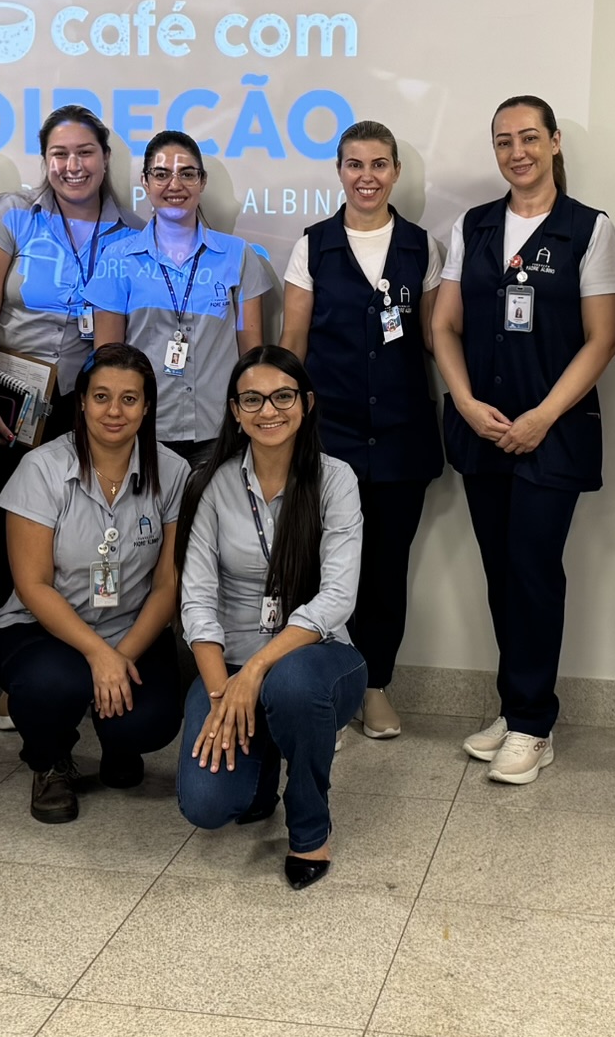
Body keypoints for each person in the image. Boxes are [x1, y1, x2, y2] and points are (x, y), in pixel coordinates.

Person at [431, 96, 615, 786]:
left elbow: (604, 338)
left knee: (534, 572)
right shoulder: (474, 226)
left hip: (553, 432)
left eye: (529, 138)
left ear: (554, 142)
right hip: (483, 428)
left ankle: (535, 725)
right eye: (504, 141)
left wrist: (542, 416)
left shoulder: (588, 230)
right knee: (500, 574)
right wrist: (463, 400)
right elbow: (444, 325)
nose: (517, 152)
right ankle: (516, 707)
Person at [0, 106, 145, 731]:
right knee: (9, 541)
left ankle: (84, 660)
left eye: (85, 152)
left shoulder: (131, 231)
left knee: (83, 541)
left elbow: (121, 331)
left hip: (86, 403)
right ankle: (17, 677)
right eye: (60, 154)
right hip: (9, 401)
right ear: (46, 160)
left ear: (105, 158)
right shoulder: (12, 213)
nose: (73, 165)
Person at [174, 348, 366, 890]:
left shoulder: (336, 480)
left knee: (292, 685)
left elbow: (337, 598)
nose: (269, 410)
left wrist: (256, 670)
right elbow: (197, 602)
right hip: (229, 664)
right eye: (252, 400)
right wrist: (222, 696)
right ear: (235, 412)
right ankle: (260, 772)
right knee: (207, 805)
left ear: (306, 403)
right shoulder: (211, 485)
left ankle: (309, 828)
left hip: (316, 659)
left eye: (283, 396)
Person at [280, 120, 444, 741]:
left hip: (402, 440)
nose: (367, 177)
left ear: (395, 171)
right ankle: (319, 683)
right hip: (330, 438)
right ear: (339, 171)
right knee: (321, 567)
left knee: (384, 570)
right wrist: (281, 429)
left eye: (379, 164)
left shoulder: (423, 248)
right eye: (355, 164)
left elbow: (435, 342)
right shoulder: (313, 246)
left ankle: (374, 686)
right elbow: (293, 344)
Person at [0, 343, 189, 823]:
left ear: (147, 406)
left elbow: (168, 584)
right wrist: (99, 655)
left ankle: (119, 741)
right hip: (43, 629)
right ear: (81, 402)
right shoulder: (42, 468)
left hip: (131, 630)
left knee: (153, 719)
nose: (114, 411)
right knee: (52, 684)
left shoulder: (173, 472)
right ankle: (49, 759)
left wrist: (121, 657)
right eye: (101, 397)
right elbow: (33, 585)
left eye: (129, 399)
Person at [91, 130, 269, 468]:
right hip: (144, 430)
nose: (175, 184)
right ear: (145, 182)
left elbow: (251, 354)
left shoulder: (237, 255)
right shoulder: (118, 258)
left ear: (202, 182)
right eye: (161, 174)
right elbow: (108, 361)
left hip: (219, 431)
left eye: (187, 174)